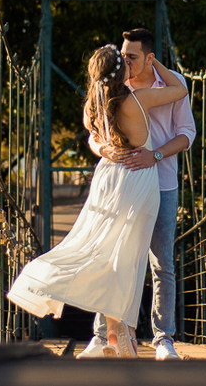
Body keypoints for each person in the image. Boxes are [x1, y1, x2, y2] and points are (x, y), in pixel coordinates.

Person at [6, 43, 188, 358]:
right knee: (129, 260)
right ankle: (122, 334)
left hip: (108, 179)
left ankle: (117, 334)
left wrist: (104, 149)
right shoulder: (138, 100)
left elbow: (94, 136)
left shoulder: (94, 104)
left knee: (108, 255)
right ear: (123, 70)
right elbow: (179, 89)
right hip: (139, 180)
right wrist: (153, 64)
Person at [77, 28, 196, 362]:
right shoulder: (118, 87)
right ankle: (102, 337)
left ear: (150, 58)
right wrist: (104, 149)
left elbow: (187, 133)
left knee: (162, 264)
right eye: (123, 56)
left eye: (132, 57)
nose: (126, 62)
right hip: (126, 183)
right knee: (115, 260)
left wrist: (155, 155)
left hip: (163, 182)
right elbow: (93, 134)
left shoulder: (169, 89)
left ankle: (163, 341)